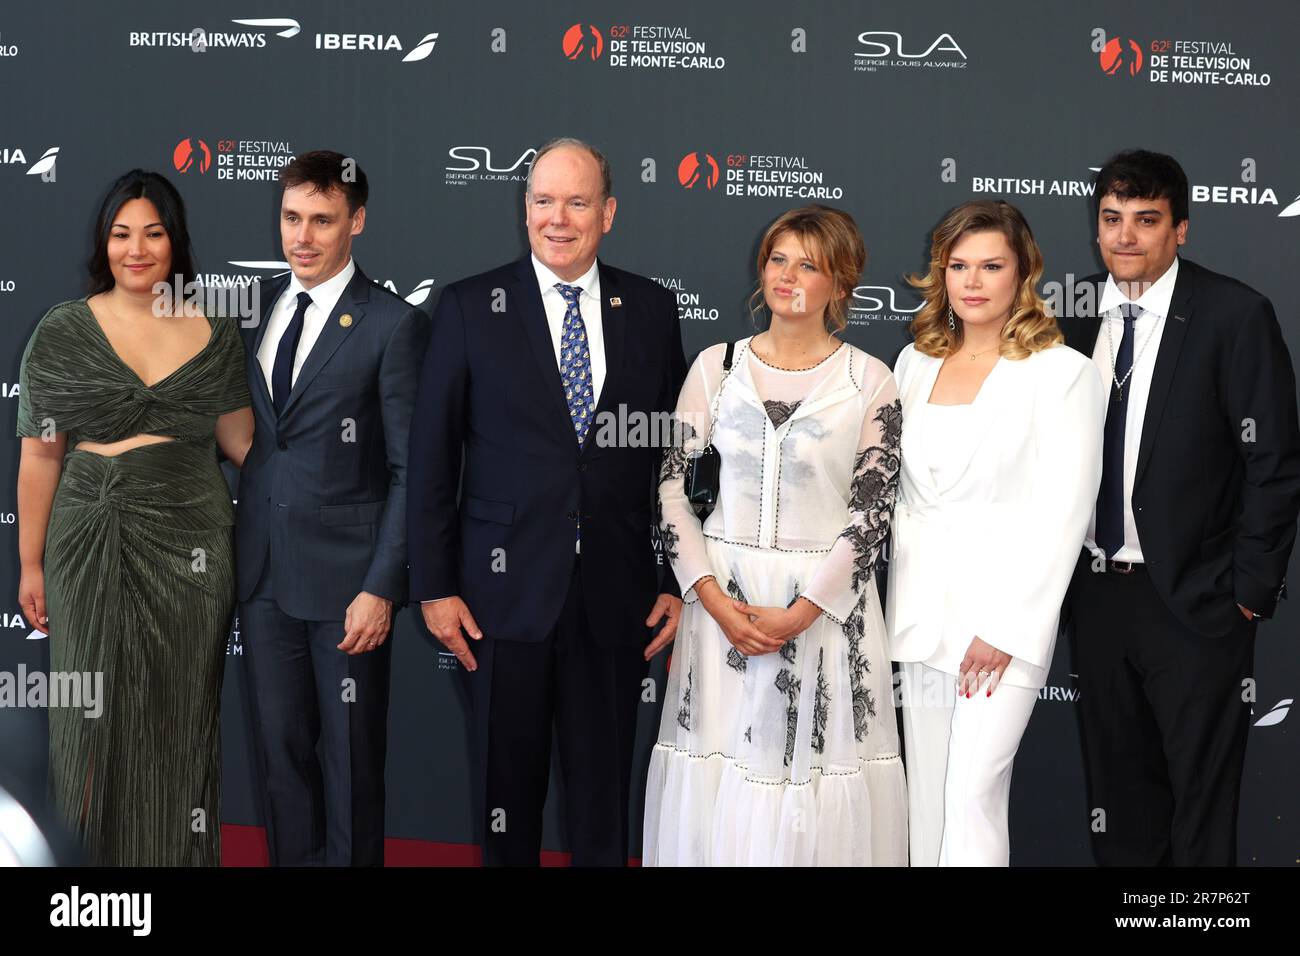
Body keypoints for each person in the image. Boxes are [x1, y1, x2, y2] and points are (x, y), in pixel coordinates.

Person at [408, 137, 686, 866]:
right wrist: (433, 587)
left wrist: (673, 581)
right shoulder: (470, 306)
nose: (556, 219)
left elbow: (675, 462)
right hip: (500, 603)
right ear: (523, 207)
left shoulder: (652, 310)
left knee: (602, 813)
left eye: (576, 201)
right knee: (507, 809)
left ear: (609, 212)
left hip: (614, 603)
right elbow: (433, 461)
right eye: (541, 201)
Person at [644, 205, 907, 866]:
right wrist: (708, 595)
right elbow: (673, 487)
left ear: (841, 283)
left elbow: (871, 514)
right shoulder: (715, 366)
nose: (788, 276)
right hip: (720, 605)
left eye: (809, 264)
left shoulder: (870, 380)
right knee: (721, 770)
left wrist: (801, 613)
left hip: (822, 610)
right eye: (778, 259)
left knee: (811, 791)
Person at [1060, 150, 1300, 866]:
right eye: (1112, 219)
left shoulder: (1234, 314)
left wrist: (1248, 594)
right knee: (1119, 803)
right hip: (1098, 601)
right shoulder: (1069, 325)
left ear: (1181, 230)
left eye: (1146, 220)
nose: (1126, 237)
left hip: (1198, 604)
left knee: (1200, 814)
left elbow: (1276, 463)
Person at [16, 170, 254, 865]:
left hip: (191, 547)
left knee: (180, 720)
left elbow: (243, 445)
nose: (137, 249)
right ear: (104, 242)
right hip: (86, 539)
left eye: (152, 233)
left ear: (174, 243)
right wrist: (30, 562)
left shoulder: (216, 330)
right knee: (84, 720)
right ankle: (79, 877)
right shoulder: (63, 330)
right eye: (122, 234)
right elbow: (41, 457)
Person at [888, 200, 1104, 866]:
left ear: (1023, 273)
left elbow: (1065, 513)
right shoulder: (914, 363)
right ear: (941, 273)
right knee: (925, 798)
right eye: (958, 266)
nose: (973, 281)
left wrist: (1008, 628)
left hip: (1003, 625)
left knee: (972, 796)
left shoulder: (1062, 372)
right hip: (921, 617)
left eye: (991, 265)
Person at [235, 151, 429, 866]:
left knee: (350, 767)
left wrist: (381, 586)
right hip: (261, 577)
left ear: (357, 222)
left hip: (348, 587)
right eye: (292, 218)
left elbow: (413, 470)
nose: (304, 237)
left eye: (322, 220)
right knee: (280, 764)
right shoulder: (254, 306)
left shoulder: (392, 324)